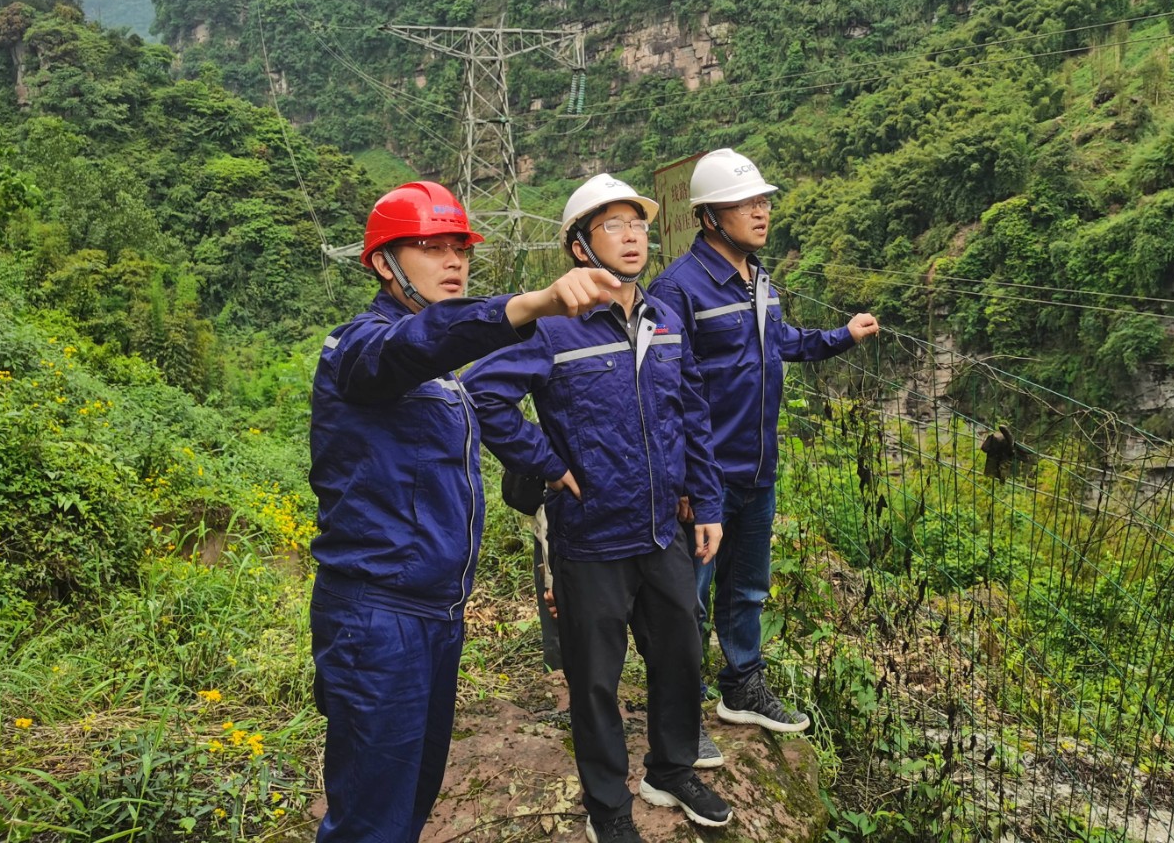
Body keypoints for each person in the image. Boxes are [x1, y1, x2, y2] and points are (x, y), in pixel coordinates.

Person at [308, 180, 621, 843]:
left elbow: (440, 350)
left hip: (436, 613)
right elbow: (418, 344)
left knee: (412, 799)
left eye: (461, 249)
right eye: (430, 247)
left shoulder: (444, 373)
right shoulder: (358, 349)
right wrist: (532, 303)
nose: (454, 261)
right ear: (383, 262)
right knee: (370, 819)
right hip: (378, 615)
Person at [466, 174, 734, 843]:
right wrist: (547, 463)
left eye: (638, 224)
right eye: (613, 225)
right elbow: (484, 394)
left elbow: (692, 413)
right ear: (580, 246)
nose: (632, 236)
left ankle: (671, 770)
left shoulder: (664, 320)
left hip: (662, 530)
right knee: (594, 681)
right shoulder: (553, 328)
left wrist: (707, 501)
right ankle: (607, 807)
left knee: (681, 656)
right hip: (590, 538)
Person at [649, 149, 879, 762]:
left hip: (757, 467)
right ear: (709, 216)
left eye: (763, 201)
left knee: (747, 589)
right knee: (688, 601)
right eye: (745, 203)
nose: (761, 212)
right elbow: (667, 394)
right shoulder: (677, 289)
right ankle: (681, 714)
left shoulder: (758, 279)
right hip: (706, 476)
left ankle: (742, 687)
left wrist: (842, 337)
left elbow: (778, 343)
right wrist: (687, 482)